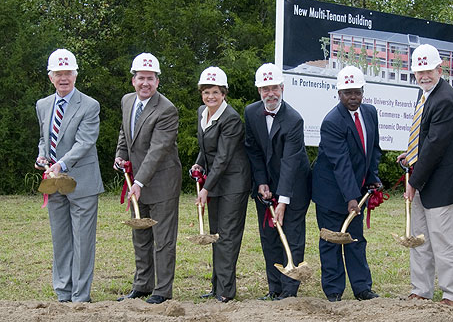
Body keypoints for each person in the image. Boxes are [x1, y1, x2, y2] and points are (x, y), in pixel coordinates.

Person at [397, 44, 453, 307]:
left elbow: (436, 147)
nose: (424, 76)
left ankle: (452, 294)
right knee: (420, 239)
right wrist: (410, 155)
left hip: (445, 185)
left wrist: (413, 183)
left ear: (440, 69)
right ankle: (421, 289)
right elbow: (424, 140)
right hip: (427, 180)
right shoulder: (427, 94)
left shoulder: (445, 100)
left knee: (444, 241)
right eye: (419, 71)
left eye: (428, 70)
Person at [34, 49, 104, 303]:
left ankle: (80, 296)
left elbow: (84, 143)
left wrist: (60, 164)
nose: (63, 78)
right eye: (58, 73)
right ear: (50, 77)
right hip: (53, 183)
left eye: (68, 73)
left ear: (75, 75)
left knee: (83, 242)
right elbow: (45, 138)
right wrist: (43, 156)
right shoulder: (42, 105)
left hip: (81, 183)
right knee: (61, 239)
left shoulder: (89, 105)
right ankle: (63, 292)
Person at [115, 53, 182, 304]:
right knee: (140, 235)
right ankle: (142, 285)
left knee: (162, 239)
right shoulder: (127, 101)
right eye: (141, 78)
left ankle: (162, 290)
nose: (146, 83)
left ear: (157, 81)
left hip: (162, 182)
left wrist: (139, 183)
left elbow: (157, 150)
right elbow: (125, 132)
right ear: (133, 80)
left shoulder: (167, 109)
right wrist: (120, 156)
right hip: (137, 182)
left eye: (150, 79)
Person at [312, 65, 381, 302]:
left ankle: (362, 288)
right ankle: (333, 291)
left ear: (363, 91)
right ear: (338, 93)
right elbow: (340, 163)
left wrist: (372, 179)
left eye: (357, 92)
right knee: (331, 241)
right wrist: (352, 197)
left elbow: (373, 151)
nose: (353, 98)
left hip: (356, 190)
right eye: (347, 93)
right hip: (330, 192)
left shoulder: (370, 113)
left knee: (356, 240)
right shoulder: (332, 121)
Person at [244, 63, 311, 300]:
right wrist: (261, 182)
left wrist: (282, 201)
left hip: (294, 186)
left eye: (274, 88)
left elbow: (290, 163)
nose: (270, 93)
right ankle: (275, 289)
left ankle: (289, 290)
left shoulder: (294, 119)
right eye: (265, 89)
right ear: (259, 91)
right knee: (269, 236)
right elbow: (253, 150)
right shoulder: (251, 112)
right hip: (267, 186)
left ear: (282, 88)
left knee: (291, 235)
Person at [191, 66, 251, 303]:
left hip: (233, 184)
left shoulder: (231, 119)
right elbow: (206, 150)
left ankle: (226, 291)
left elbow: (224, 157)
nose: (210, 97)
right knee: (216, 235)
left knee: (226, 237)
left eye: (215, 92)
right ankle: (216, 287)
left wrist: (205, 189)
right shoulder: (201, 112)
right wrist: (198, 165)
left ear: (224, 93)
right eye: (206, 92)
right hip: (215, 180)